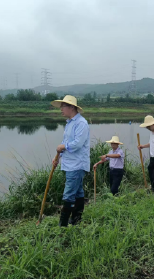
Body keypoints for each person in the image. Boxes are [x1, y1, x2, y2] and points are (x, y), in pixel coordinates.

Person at [51, 95, 90, 227]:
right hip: (69, 163)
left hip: (77, 164)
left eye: (63, 107)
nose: (61, 109)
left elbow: (77, 144)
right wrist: (58, 156)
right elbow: (66, 142)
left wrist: (62, 147)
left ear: (72, 107)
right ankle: (76, 219)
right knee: (78, 192)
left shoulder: (81, 124)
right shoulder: (69, 123)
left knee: (69, 193)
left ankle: (62, 225)